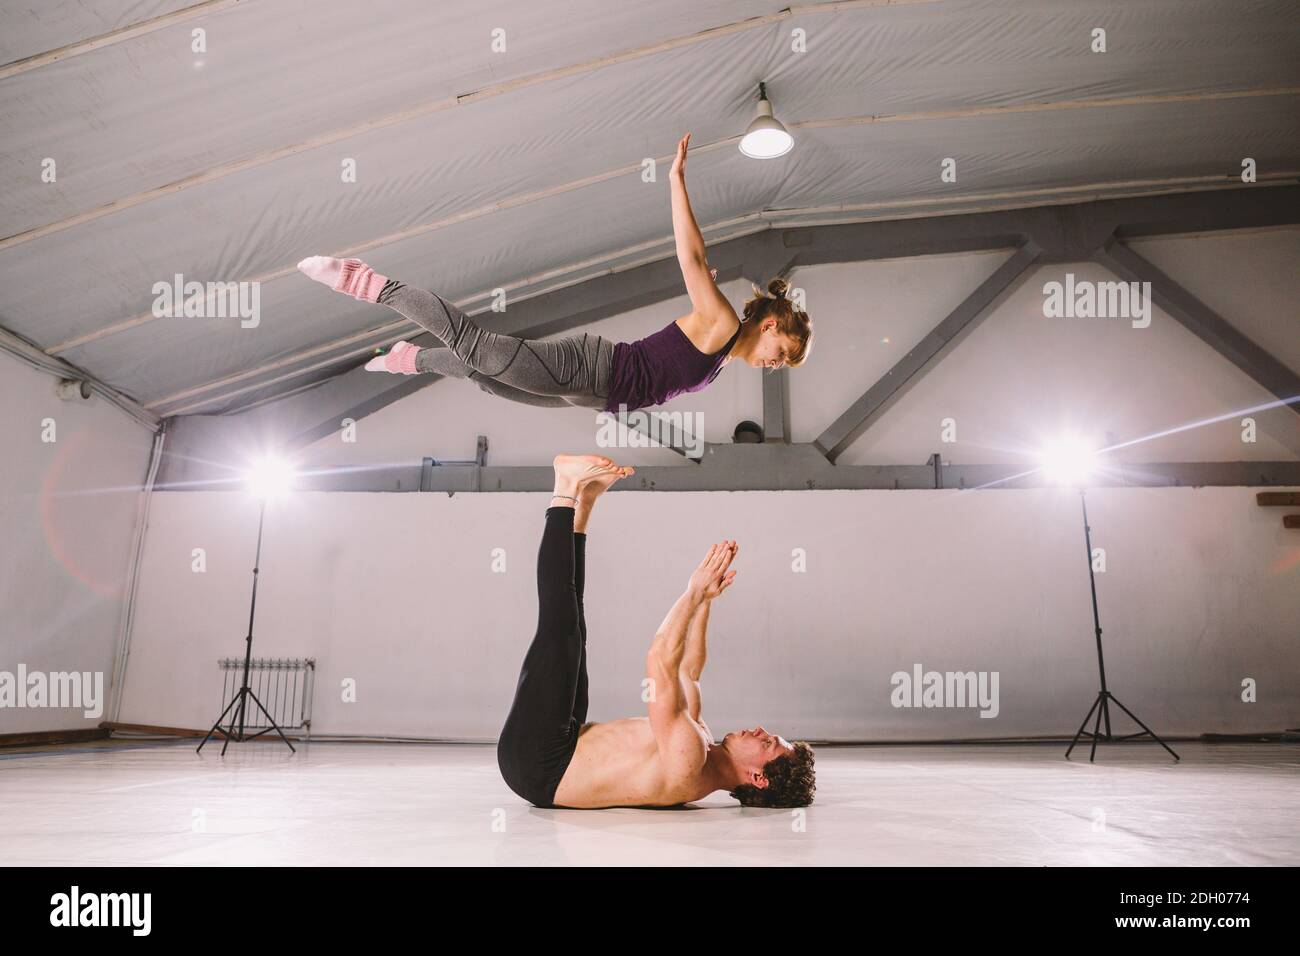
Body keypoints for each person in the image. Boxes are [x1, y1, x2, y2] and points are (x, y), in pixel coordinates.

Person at [297, 134, 812, 412]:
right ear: (769, 326)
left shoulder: (723, 352)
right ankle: (364, 281)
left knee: (488, 380)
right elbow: (692, 260)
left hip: (588, 393)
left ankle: (414, 359)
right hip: (591, 371)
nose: (775, 364)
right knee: (476, 347)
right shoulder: (721, 322)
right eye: (781, 354)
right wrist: (676, 180)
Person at [494, 452, 816, 809]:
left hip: (539, 765)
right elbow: (687, 671)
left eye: (768, 743)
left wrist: (693, 593)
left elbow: (660, 661)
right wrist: (706, 601)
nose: (760, 730)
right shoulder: (700, 742)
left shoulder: (689, 761)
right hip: (561, 745)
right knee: (573, 621)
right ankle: (583, 503)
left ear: (759, 777)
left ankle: (565, 486)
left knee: (560, 627)